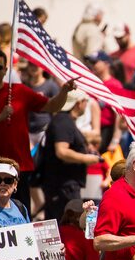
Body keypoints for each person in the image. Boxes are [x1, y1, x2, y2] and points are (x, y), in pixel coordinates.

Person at [0, 49, 75, 208]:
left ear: (5, 70)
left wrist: (64, 91)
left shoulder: (19, 91)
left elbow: (51, 105)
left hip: (19, 167)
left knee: (21, 220)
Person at [42, 90, 99, 220]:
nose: (87, 105)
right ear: (79, 103)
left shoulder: (65, 121)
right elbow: (61, 151)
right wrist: (86, 158)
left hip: (65, 185)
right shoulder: (63, 121)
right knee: (69, 224)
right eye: (86, 101)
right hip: (62, 186)